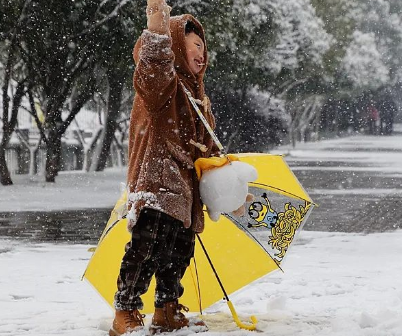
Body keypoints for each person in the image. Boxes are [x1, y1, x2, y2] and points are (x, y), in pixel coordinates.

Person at [109, 1, 246, 335]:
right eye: (194, 44)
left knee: (178, 251)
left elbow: (209, 147)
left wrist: (231, 188)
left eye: (203, 46)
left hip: (185, 190)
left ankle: (166, 307)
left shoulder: (199, 97)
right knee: (146, 248)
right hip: (156, 182)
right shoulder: (162, 87)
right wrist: (157, 29)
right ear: (174, 45)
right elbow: (153, 67)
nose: (201, 52)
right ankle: (125, 310)